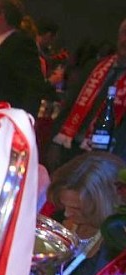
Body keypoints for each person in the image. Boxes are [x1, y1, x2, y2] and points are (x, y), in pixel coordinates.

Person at [46, 18, 126, 171]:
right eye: (124, 33)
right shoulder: (96, 66)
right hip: (69, 145)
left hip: (103, 158)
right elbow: (69, 105)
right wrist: (54, 141)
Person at [47, 152, 126, 275]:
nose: (67, 213)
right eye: (64, 204)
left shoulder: (116, 247)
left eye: (76, 209)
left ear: (104, 205)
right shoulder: (59, 219)